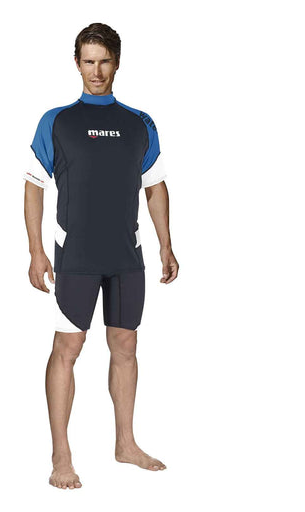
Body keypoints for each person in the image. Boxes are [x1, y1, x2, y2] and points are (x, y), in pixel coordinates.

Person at [23, 22, 178, 490]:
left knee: (126, 346)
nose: (96, 71)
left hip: (126, 256)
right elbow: (33, 186)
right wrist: (35, 250)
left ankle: (126, 444)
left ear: (117, 63)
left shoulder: (140, 122)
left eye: (104, 61)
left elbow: (155, 187)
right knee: (67, 349)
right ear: (77, 63)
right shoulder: (57, 121)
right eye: (88, 61)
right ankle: (61, 456)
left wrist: (166, 243)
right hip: (76, 256)